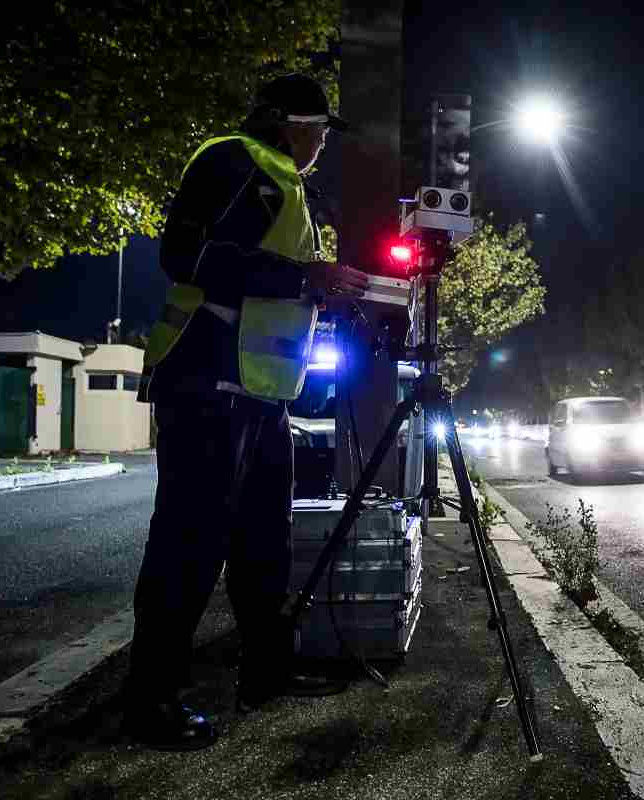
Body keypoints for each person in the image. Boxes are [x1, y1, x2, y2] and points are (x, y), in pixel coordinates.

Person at [125, 73, 369, 751]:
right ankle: (151, 701)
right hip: (205, 381)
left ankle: (267, 668)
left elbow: (271, 287)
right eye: (318, 129)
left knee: (264, 537)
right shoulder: (230, 159)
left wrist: (323, 295)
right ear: (289, 125)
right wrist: (303, 277)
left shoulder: (291, 188)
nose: (322, 142)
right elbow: (185, 255)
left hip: (259, 392)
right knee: (190, 541)